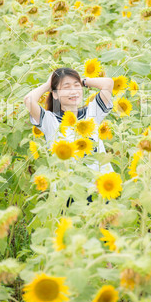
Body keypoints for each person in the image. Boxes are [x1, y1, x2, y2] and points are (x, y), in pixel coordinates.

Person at [23, 67, 115, 205]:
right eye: (66, 87)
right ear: (54, 94)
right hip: (67, 193)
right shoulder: (50, 121)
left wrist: (83, 81)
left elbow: (108, 83)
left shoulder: (92, 112)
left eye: (76, 86)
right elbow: (29, 100)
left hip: (99, 189)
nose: (73, 91)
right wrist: (48, 85)